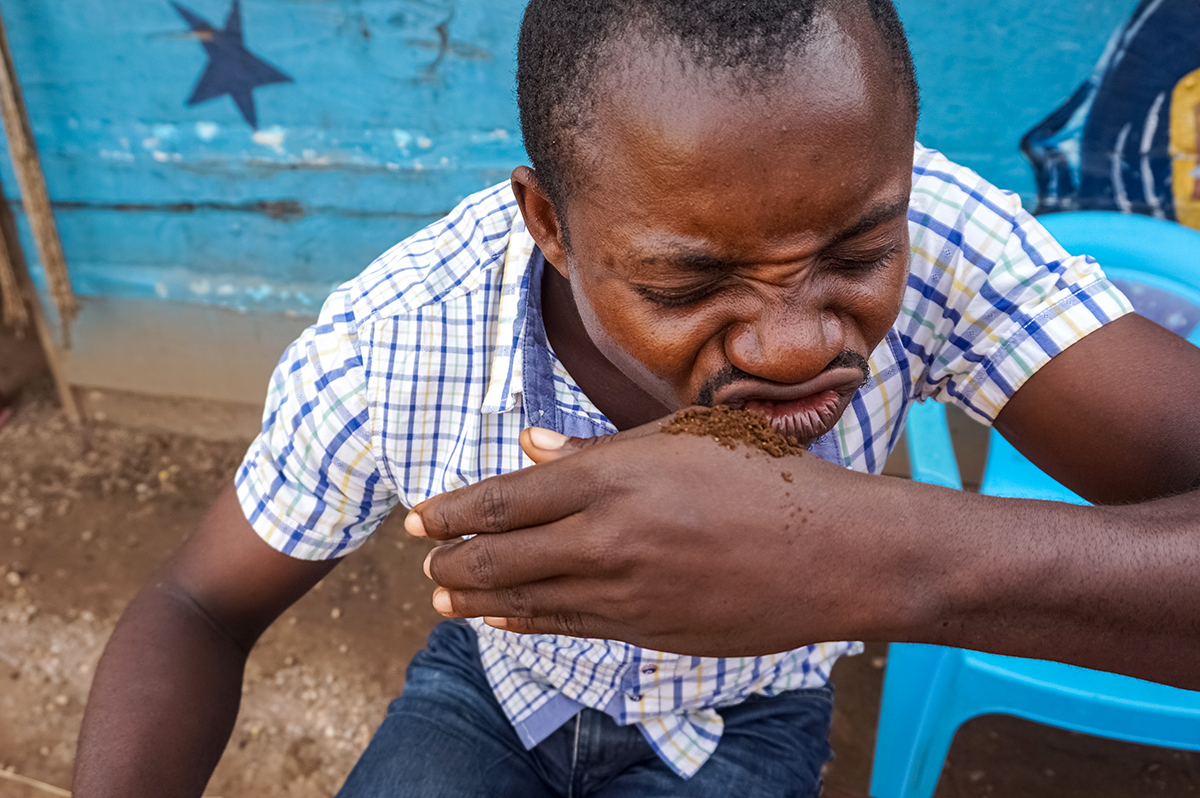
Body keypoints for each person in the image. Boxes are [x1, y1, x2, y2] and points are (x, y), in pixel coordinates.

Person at [74, 0, 1200, 796]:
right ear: (550, 228)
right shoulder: (400, 342)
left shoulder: (947, 236)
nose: (800, 343)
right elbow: (195, 607)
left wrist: (887, 559)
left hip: (750, 719)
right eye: (690, 283)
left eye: (860, 252)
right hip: (494, 694)